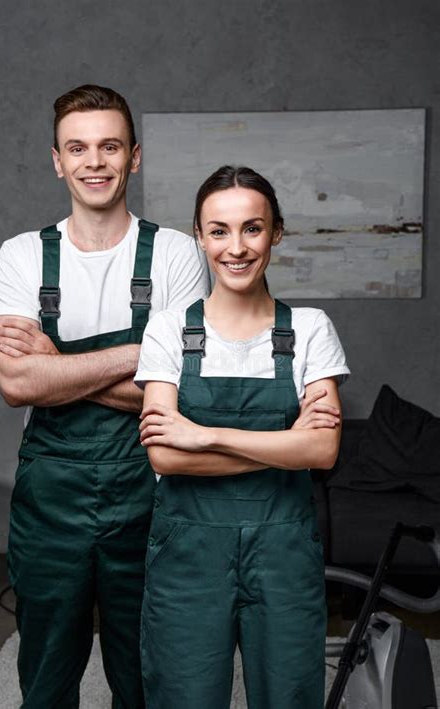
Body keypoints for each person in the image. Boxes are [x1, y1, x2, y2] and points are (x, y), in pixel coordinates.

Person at [0, 84, 209, 708]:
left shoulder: (175, 254)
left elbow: (185, 392)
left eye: (109, 146)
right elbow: (16, 384)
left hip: (149, 497)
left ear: (133, 157)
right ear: (57, 160)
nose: (94, 162)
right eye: (77, 148)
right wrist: (142, 357)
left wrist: (58, 365)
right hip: (49, 504)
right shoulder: (23, 256)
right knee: (48, 675)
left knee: (144, 676)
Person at [136, 165, 350, 709]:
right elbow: (164, 453)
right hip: (188, 557)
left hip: (283, 556)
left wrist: (203, 437)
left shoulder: (310, 329)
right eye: (219, 231)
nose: (237, 247)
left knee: (289, 696)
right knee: (182, 696)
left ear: (276, 232)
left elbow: (322, 450)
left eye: (253, 229)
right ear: (200, 237)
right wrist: (284, 447)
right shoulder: (166, 330)